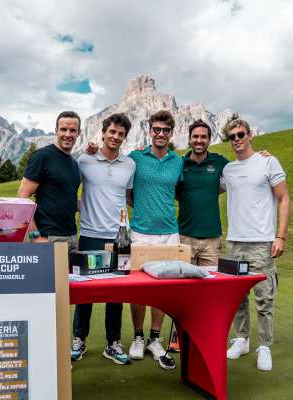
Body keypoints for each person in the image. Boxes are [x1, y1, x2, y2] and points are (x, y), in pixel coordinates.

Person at [221, 119, 290, 371]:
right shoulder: (227, 170)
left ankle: (264, 346)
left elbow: (283, 198)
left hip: (261, 241)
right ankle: (241, 339)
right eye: (232, 136)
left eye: (241, 134)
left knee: (264, 298)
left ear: (250, 135)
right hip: (235, 242)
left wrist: (280, 236)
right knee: (237, 297)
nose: (237, 139)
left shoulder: (268, 162)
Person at [70, 113, 136, 366]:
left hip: (119, 237)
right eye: (112, 132)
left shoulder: (130, 165)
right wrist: (80, 206)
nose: (116, 137)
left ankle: (113, 343)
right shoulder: (84, 159)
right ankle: (79, 339)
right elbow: (69, 189)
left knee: (115, 293)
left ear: (124, 137)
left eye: (120, 134)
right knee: (85, 291)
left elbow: (127, 196)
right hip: (88, 234)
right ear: (103, 132)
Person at [126, 110, 183, 370]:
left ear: (171, 133)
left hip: (170, 232)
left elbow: (178, 189)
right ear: (150, 131)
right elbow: (128, 193)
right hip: (140, 231)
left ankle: (155, 339)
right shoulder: (136, 157)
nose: (161, 134)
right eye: (157, 129)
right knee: (139, 288)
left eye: (166, 130)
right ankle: (138, 336)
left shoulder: (177, 161)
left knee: (163, 289)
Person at [17, 111, 81, 251]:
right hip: (47, 238)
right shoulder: (42, 157)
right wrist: (35, 237)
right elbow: (22, 198)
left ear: (78, 133)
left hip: (71, 238)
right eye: (63, 129)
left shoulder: (74, 164)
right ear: (56, 131)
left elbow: (67, 198)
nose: (68, 134)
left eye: (72, 130)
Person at [177, 119, 229, 268]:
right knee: (184, 286)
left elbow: (241, 169)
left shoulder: (220, 162)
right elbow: (173, 191)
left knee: (211, 285)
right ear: (189, 139)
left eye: (203, 137)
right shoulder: (180, 163)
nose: (199, 140)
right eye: (195, 136)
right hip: (184, 237)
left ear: (209, 140)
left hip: (212, 239)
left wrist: (262, 156)